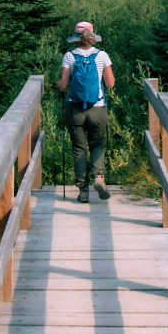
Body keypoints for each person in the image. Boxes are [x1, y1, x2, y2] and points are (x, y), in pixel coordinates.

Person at [58, 20, 115, 203]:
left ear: (76, 38)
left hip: (76, 109)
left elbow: (64, 85)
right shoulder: (102, 56)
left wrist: (58, 86)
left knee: (79, 149)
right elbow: (110, 84)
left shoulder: (69, 56)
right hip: (97, 109)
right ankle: (99, 177)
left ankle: (83, 191)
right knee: (97, 144)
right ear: (92, 37)